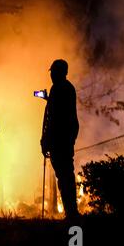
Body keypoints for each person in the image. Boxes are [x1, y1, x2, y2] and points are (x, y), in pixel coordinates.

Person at [41, 59, 80, 220]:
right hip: (65, 137)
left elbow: (55, 118)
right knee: (65, 176)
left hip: (60, 139)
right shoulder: (65, 88)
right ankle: (71, 212)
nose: (51, 75)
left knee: (64, 177)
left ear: (60, 72)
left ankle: (72, 213)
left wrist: (46, 141)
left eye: (53, 72)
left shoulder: (59, 88)